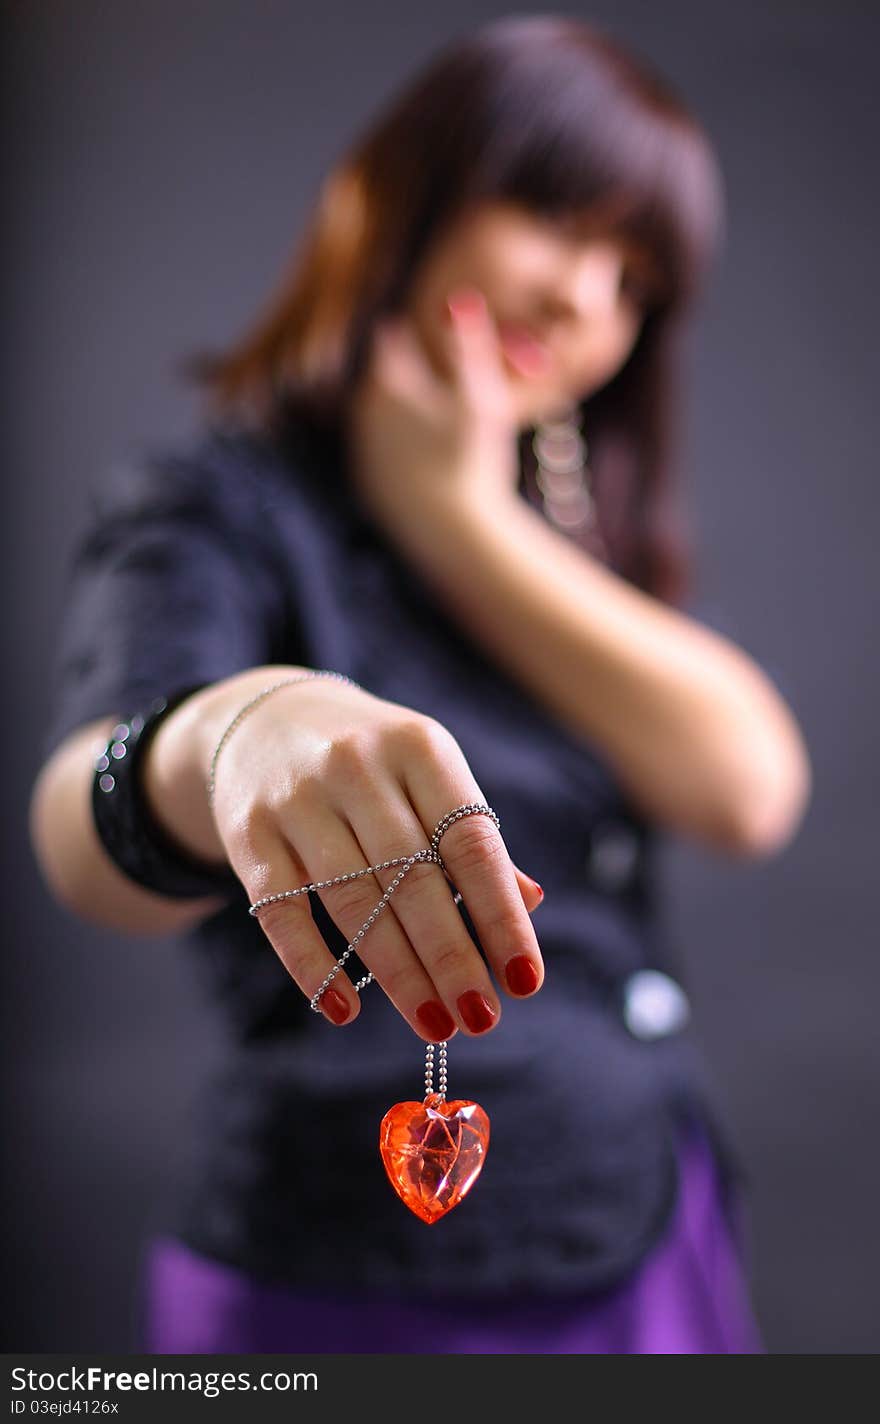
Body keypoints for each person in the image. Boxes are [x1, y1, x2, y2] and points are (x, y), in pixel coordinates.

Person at [29, 15, 810, 1354]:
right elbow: (80, 822)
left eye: (635, 281)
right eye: (557, 217)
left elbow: (748, 786)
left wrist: (457, 514)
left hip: (653, 1223)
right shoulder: (220, 505)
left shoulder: (572, 544)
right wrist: (230, 731)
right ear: (411, 198)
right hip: (355, 1288)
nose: (582, 300)